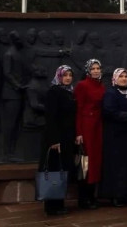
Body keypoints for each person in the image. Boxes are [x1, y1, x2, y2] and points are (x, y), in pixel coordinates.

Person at [99, 68, 127, 207]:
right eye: (121, 76)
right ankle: (116, 196)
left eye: (126, 76)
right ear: (115, 78)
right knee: (117, 167)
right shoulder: (111, 93)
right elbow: (109, 112)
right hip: (115, 137)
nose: (124, 78)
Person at [39, 65, 77, 216]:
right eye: (64, 75)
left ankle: (59, 203)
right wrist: (54, 140)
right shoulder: (54, 92)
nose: (67, 78)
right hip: (56, 139)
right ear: (58, 76)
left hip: (67, 138)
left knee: (61, 171)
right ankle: (51, 206)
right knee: (54, 171)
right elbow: (51, 117)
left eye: (70, 75)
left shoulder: (69, 92)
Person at [74, 59, 105, 209]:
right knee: (86, 162)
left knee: (96, 161)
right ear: (88, 70)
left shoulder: (102, 86)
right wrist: (79, 132)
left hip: (98, 126)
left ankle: (92, 196)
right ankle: (83, 198)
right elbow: (78, 110)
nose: (96, 70)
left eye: (98, 68)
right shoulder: (82, 85)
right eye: (93, 68)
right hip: (87, 127)